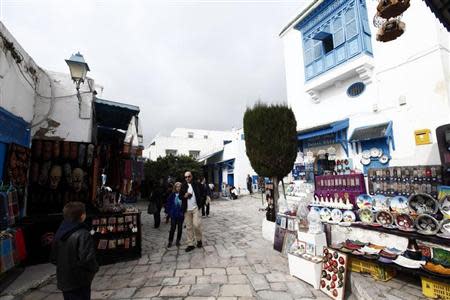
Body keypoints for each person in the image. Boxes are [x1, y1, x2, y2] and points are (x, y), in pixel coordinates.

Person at [51, 202, 98, 300]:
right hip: (80, 281)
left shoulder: (59, 232)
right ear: (82, 216)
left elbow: (54, 258)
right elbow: (87, 260)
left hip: (64, 280)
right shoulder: (83, 234)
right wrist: (93, 270)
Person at [179, 171, 205, 252]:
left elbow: (204, 193)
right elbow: (180, 196)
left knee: (196, 225)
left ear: (191, 176)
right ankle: (190, 244)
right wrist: (184, 196)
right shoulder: (183, 186)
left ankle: (199, 240)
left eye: (188, 176)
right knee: (189, 227)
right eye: (185, 177)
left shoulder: (197, 184)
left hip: (195, 208)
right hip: (187, 209)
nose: (187, 178)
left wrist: (201, 202)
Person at [164, 182, 184, 248]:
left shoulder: (182, 195)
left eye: (179, 186)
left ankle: (178, 241)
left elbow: (185, 204)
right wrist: (168, 212)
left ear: (181, 187)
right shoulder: (172, 195)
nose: (178, 188)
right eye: (177, 186)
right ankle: (170, 241)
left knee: (180, 229)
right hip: (173, 215)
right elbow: (168, 204)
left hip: (180, 215)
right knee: (172, 228)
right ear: (175, 187)